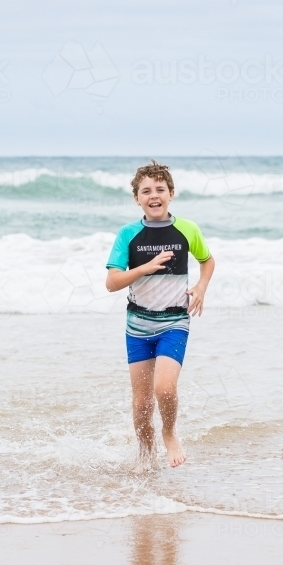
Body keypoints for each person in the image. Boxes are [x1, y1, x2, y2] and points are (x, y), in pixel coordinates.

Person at [105, 160, 215, 468]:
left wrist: (201, 287)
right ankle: (145, 452)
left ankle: (169, 433)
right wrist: (145, 268)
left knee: (164, 388)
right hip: (137, 326)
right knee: (141, 404)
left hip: (174, 322)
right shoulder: (128, 235)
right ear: (136, 198)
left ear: (171, 193)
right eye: (146, 191)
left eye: (160, 189)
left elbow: (208, 261)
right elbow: (112, 282)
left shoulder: (187, 229)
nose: (154, 195)